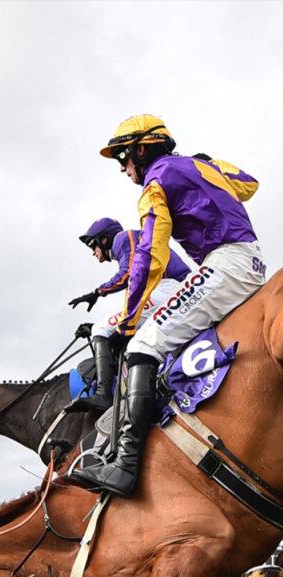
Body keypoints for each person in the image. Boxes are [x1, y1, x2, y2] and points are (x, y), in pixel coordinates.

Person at [71, 114, 264, 497]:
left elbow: (150, 256)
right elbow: (248, 184)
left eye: (123, 159)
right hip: (252, 262)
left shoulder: (154, 184)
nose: (123, 169)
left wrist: (128, 318)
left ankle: (124, 465)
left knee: (143, 344)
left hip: (225, 266)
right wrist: (208, 165)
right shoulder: (196, 166)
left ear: (141, 150)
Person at [67, 217, 190, 412]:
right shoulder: (126, 246)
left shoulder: (123, 239)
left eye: (93, 245)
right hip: (169, 290)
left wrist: (97, 292)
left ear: (104, 239)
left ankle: (103, 394)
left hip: (168, 287)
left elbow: (127, 273)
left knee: (101, 329)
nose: (93, 252)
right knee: (112, 332)